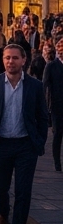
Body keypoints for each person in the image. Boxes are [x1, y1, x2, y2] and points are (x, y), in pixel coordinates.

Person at [0, 44, 49, 224]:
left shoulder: (35, 85)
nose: (10, 61)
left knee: (23, 190)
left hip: (25, 145)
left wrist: (39, 141)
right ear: (3, 60)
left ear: (24, 60)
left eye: (15, 58)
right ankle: (2, 212)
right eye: (7, 58)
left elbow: (42, 117)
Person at [44, 43, 63, 172]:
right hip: (57, 105)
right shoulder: (51, 66)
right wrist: (45, 105)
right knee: (58, 134)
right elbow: (44, 86)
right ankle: (57, 163)